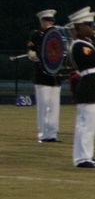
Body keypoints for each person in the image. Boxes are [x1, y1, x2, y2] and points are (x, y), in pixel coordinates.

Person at [67, 8, 95, 168]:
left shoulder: (88, 42)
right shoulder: (79, 45)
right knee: (87, 124)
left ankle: (84, 156)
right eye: (89, 25)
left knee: (86, 124)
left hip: (93, 84)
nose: (93, 28)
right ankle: (83, 158)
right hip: (90, 85)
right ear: (80, 27)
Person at [27, 9, 62, 142]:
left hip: (55, 76)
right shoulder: (36, 35)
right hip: (42, 75)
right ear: (41, 22)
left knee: (54, 106)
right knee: (43, 106)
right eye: (47, 20)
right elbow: (32, 53)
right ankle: (43, 133)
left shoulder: (57, 34)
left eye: (51, 20)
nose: (49, 23)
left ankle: (52, 133)